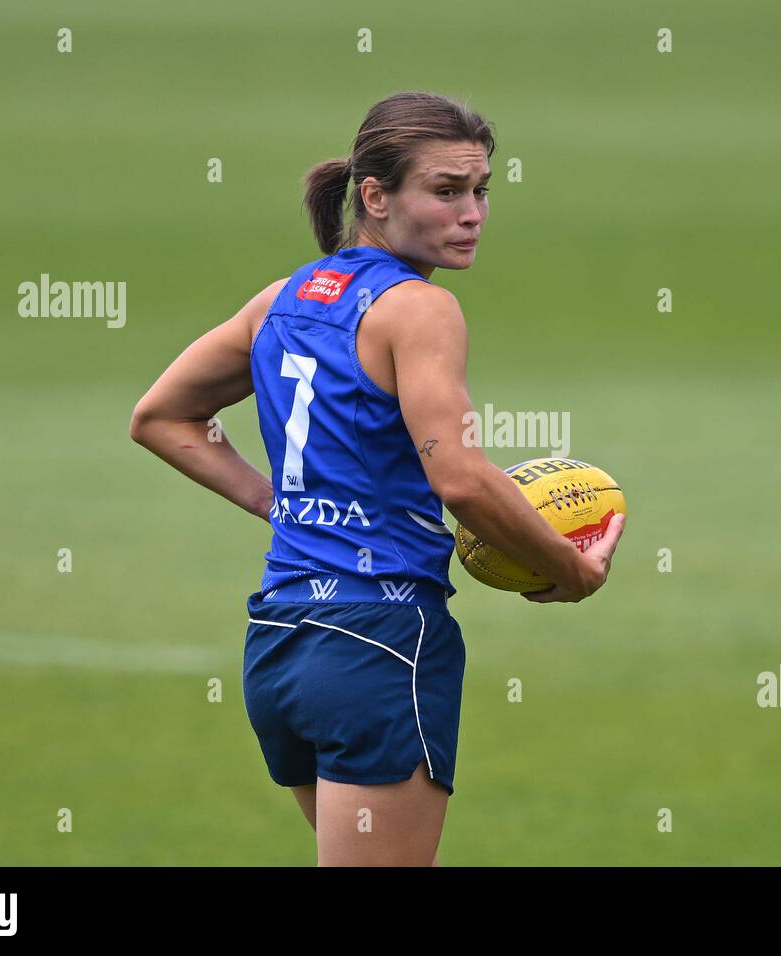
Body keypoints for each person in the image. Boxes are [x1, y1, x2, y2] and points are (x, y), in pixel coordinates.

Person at [129, 91, 626, 866]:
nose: (473, 214)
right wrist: (573, 571)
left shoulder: (284, 298)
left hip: (281, 645)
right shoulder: (420, 310)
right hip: (378, 645)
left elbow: (161, 417)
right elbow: (460, 480)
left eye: (481, 190)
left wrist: (279, 505)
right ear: (374, 196)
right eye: (447, 190)